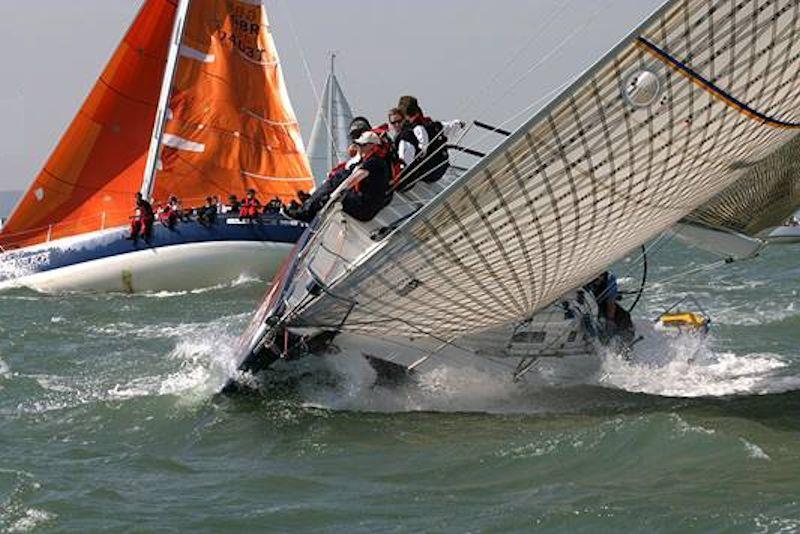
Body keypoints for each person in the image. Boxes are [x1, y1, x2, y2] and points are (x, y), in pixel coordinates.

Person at [286, 117, 374, 222]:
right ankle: (310, 202)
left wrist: (333, 194)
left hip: (363, 205)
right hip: (359, 195)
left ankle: (307, 209)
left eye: (360, 139)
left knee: (336, 179)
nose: (358, 143)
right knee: (335, 177)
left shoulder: (373, 160)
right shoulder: (367, 156)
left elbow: (353, 178)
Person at [396, 95, 465, 185]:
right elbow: (449, 126)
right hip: (442, 167)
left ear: (404, 116)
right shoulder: (431, 124)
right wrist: (460, 123)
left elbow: (415, 154)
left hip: (429, 173)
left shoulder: (411, 132)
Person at [341, 131, 392, 222]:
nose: (359, 148)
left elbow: (349, 183)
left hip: (365, 211)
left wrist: (333, 194)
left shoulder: (373, 162)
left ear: (372, 146)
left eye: (362, 145)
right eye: (358, 144)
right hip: (370, 206)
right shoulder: (375, 160)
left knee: (333, 197)